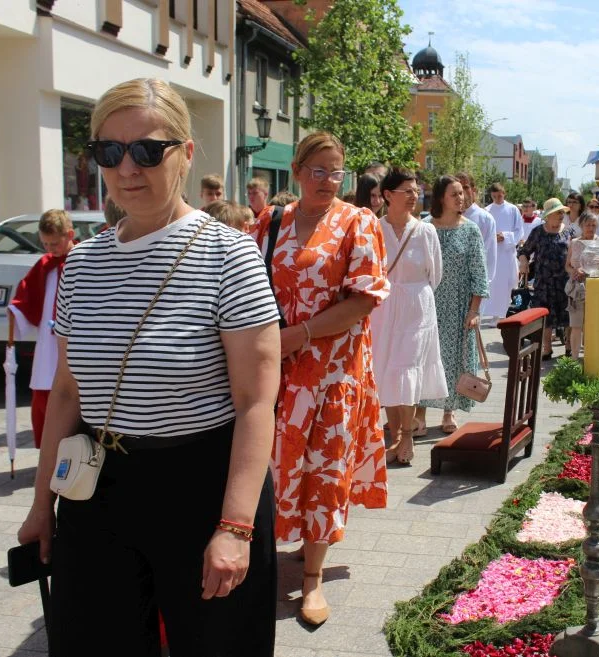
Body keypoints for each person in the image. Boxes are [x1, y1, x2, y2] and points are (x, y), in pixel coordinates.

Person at [16, 77, 281, 656]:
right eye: (109, 152)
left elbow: (257, 401)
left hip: (204, 482)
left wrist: (235, 527)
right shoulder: (82, 263)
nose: (127, 168)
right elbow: (66, 392)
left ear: (186, 153)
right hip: (98, 485)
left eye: (146, 150)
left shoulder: (228, 255)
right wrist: (42, 503)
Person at [254, 131, 389, 626]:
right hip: (278, 370)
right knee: (274, 464)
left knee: (324, 471)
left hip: (334, 372)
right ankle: (282, 550)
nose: (329, 181)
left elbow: (363, 302)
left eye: (337, 172)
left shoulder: (359, 222)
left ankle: (312, 579)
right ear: (296, 171)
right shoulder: (270, 222)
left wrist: (302, 334)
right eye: (319, 171)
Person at [371, 167, 446, 465]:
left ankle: (406, 436)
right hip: (384, 307)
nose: (414, 196)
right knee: (387, 368)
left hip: (417, 308)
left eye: (416, 191)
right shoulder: (375, 228)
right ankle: (396, 436)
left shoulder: (426, 230)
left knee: (409, 368)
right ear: (388, 195)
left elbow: (435, 274)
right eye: (407, 191)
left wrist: (412, 295)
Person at [419, 175, 488, 434]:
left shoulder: (470, 230)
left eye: (462, 193)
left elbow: (478, 274)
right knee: (426, 358)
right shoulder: (425, 227)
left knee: (454, 360)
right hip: (428, 305)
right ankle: (419, 412)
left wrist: (474, 310)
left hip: (459, 307)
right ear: (440, 198)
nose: (461, 198)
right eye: (455, 194)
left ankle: (449, 411)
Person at [7, 209, 76, 449]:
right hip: (48, 344)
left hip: (73, 341)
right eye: (45, 243)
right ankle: (47, 450)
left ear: (70, 235)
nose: (50, 249)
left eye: (54, 243)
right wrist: (16, 311)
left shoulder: (82, 260)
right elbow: (27, 294)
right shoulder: (45, 264)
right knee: (44, 391)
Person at [518, 198, 577, 359]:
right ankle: (547, 347)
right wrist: (523, 261)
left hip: (565, 281)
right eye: (557, 213)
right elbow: (524, 250)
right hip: (543, 282)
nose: (560, 216)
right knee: (545, 316)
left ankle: (569, 346)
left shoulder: (569, 232)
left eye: (562, 213)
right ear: (548, 216)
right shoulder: (538, 232)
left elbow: (578, 252)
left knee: (568, 314)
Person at [564, 213, 599, 359]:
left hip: (596, 288)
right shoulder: (574, 243)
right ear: (581, 226)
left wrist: (597, 265)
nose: (590, 228)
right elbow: (567, 266)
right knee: (576, 325)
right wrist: (574, 271)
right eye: (587, 224)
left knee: (592, 325)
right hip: (577, 289)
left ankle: (591, 358)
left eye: (593, 225)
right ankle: (574, 359)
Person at [483, 182, 523, 320]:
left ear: (503, 194)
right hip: (493, 253)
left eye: (499, 196)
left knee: (510, 283)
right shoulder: (487, 211)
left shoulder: (512, 210)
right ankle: (495, 315)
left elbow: (519, 231)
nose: (497, 199)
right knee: (494, 285)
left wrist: (505, 237)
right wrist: (493, 237)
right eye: (494, 196)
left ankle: (510, 313)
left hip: (507, 254)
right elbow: (483, 231)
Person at [457, 172, 497, 305]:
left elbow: (489, 258)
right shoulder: (442, 218)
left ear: (473, 190)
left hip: (473, 289)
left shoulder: (485, 219)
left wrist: (481, 291)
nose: (461, 192)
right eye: (457, 188)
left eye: (465, 187)